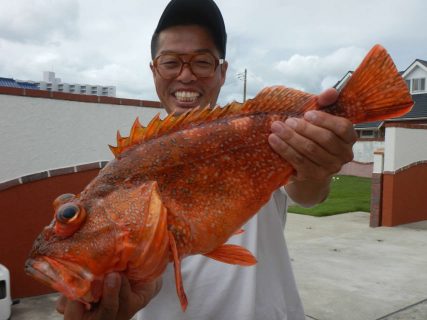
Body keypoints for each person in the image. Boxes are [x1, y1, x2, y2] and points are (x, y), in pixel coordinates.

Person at [57, 0, 357, 319]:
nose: (186, 76)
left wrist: (317, 164)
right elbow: (135, 264)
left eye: (202, 62)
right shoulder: (125, 169)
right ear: (153, 69)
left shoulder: (254, 136)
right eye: (171, 62)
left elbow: (308, 192)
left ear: (222, 70)